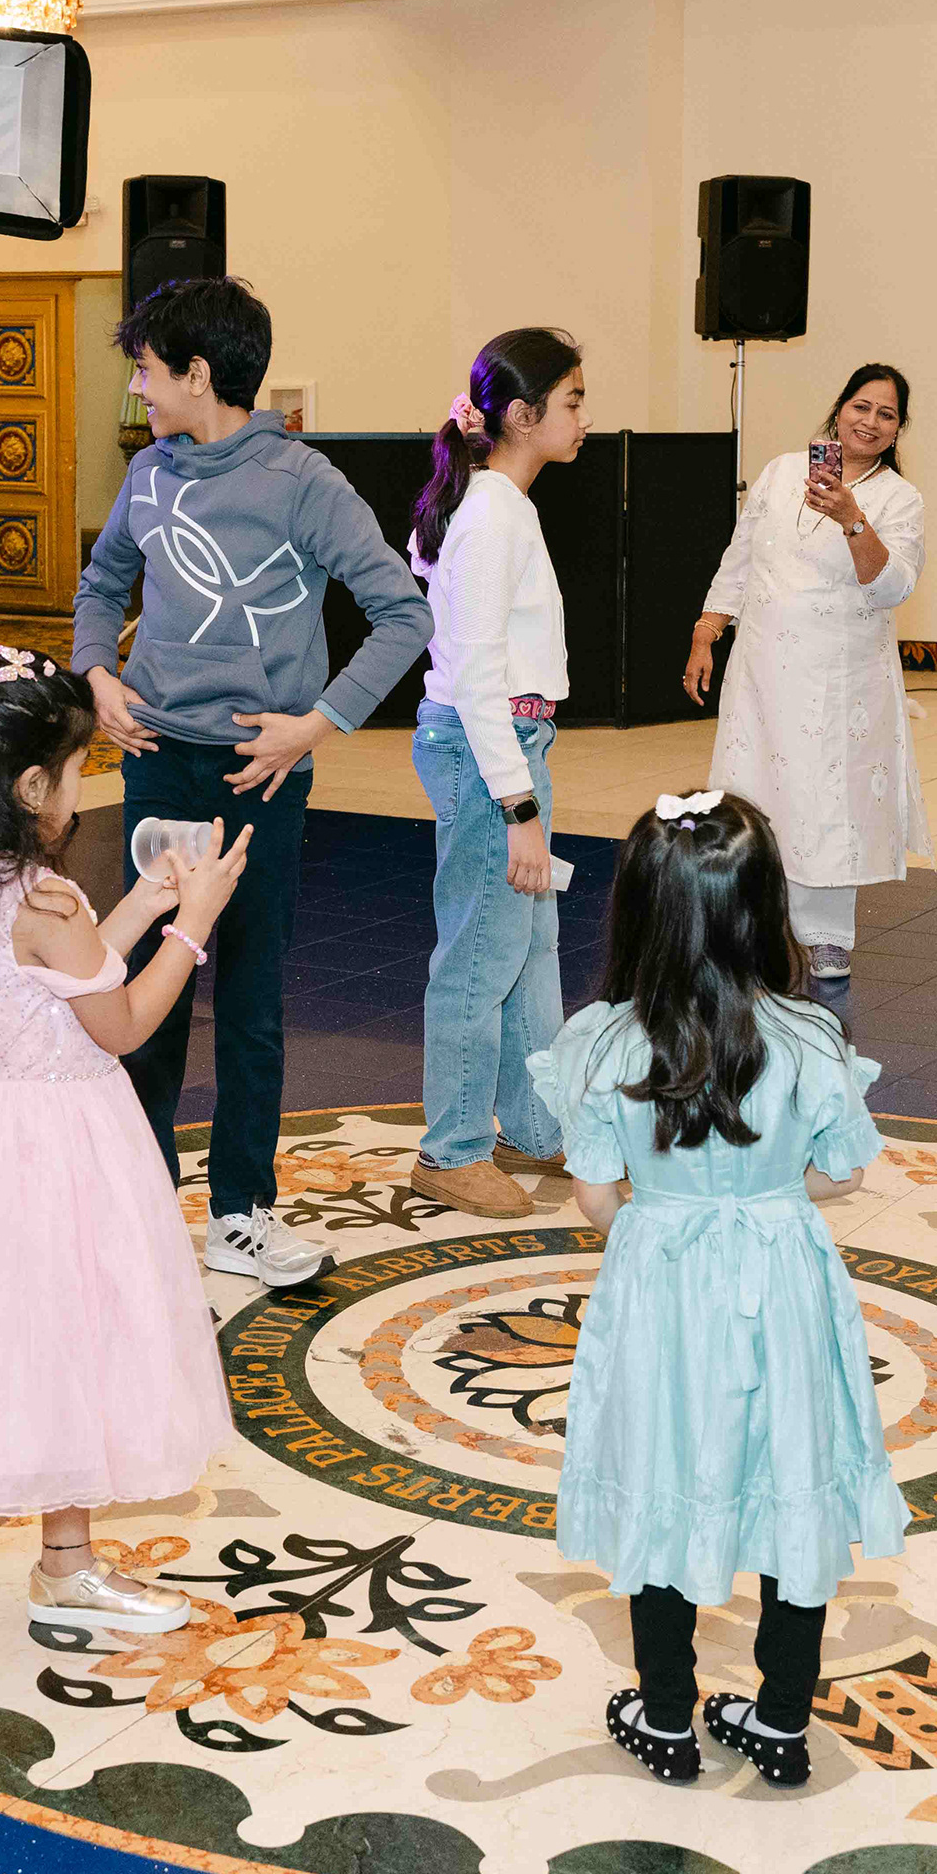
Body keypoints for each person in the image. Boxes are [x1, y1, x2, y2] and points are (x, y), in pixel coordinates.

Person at [0, 641, 255, 1680]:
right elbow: (121, 1022)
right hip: (57, 1150)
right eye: (77, 770)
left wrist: (145, 903)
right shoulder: (46, 903)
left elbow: (61, 980)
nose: (84, 786)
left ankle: (67, 1566)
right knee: (49, 1363)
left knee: (59, 1347)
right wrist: (195, 926)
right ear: (31, 787)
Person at [528, 789, 903, 1788]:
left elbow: (595, 1196)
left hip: (662, 1289)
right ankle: (781, 1719)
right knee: (792, 1473)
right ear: (765, 908)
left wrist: (668, 1216)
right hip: (783, 1282)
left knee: (663, 1471)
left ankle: (665, 1715)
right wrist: (764, 1197)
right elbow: (844, 1173)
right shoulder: (811, 1039)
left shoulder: (605, 1043)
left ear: (638, 912)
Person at [74, 276, 435, 1286]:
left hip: (258, 781)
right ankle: (141, 1206)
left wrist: (315, 725)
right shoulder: (147, 474)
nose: (138, 387)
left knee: (249, 1000)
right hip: (158, 766)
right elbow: (102, 582)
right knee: (146, 991)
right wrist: (97, 674)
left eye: (148, 370)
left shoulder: (303, 481)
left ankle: (240, 1214)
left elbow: (404, 613)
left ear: (198, 374)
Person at [406, 329, 589, 1220]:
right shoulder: (489, 513)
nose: (584, 418)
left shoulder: (497, 504)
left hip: (512, 745)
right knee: (480, 959)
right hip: (490, 754)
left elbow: (427, 569)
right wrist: (517, 806)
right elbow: (476, 674)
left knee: (530, 951)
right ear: (521, 415)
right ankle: (451, 1150)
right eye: (573, 402)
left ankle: (535, 1127)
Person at [683, 363, 932, 1015]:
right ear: (839, 408)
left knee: (825, 801)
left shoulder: (899, 499)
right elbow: (740, 559)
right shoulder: (779, 472)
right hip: (761, 670)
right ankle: (742, 926)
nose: (869, 422)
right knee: (752, 792)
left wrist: (852, 518)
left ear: (898, 428)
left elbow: (893, 587)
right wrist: (707, 631)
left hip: (838, 680)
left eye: (886, 414)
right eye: (861, 406)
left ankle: (826, 937)